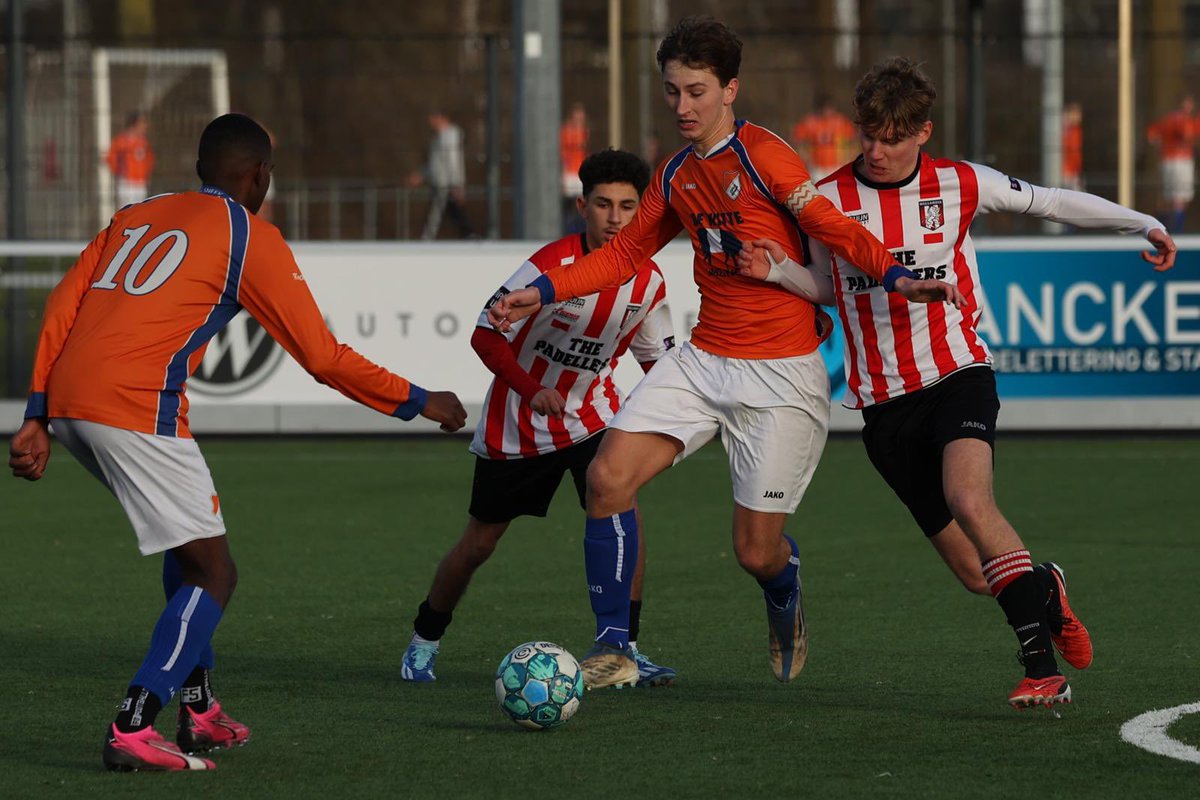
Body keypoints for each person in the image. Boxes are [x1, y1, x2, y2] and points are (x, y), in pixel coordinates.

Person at [489, 17, 962, 690]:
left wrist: (896, 276)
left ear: (731, 89)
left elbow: (828, 225)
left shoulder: (765, 156)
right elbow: (624, 254)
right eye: (673, 92)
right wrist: (539, 292)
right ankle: (615, 646)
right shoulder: (677, 173)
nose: (682, 107)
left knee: (754, 551)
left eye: (697, 92)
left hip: (781, 376)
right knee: (605, 479)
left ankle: (783, 593)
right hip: (705, 358)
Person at [8, 113, 467, 772]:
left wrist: (36, 413)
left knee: (187, 546)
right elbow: (323, 356)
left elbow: (62, 304)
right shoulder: (248, 234)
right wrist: (422, 401)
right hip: (136, 406)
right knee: (214, 571)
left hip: (72, 399)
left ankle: (198, 710)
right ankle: (134, 724)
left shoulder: (138, 213)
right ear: (258, 176)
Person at [735, 57, 1177, 709]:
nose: (878, 150)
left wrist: (1141, 221)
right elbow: (833, 287)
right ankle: (1045, 587)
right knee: (976, 573)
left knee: (971, 501)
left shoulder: (960, 184)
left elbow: (1051, 202)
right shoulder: (825, 202)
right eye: (870, 135)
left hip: (958, 375)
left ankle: (1041, 671)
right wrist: (778, 275)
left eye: (893, 137)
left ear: (922, 133)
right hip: (883, 409)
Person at [401, 149, 677, 688]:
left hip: (591, 418)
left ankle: (626, 650)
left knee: (623, 513)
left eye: (626, 206)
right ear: (582, 206)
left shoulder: (650, 284)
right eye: (602, 204)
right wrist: (533, 388)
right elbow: (486, 333)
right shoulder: (549, 266)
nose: (615, 218)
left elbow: (659, 363)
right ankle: (424, 639)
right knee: (479, 543)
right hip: (517, 426)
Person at [412, 112, 475, 240]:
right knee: (453, 212)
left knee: (439, 212)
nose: (431, 122)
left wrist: (457, 184)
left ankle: (427, 238)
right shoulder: (438, 138)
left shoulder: (449, 138)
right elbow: (435, 163)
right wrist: (421, 175)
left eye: (434, 118)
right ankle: (469, 235)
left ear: (443, 118)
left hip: (447, 184)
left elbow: (453, 162)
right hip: (441, 182)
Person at [1146, 95, 1198, 233]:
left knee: (1168, 198)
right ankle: (1175, 232)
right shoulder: (1184, 119)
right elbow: (1186, 135)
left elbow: (1152, 136)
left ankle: (1158, 228)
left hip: (1167, 161)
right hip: (1180, 161)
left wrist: (1164, 144)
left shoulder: (1167, 118)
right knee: (1180, 199)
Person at [791, 94, 857, 182]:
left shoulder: (840, 121)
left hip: (836, 166)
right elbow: (796, 138)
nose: (827, 111)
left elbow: (853, 138)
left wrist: (849, 157)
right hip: (817, 167)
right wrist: (803, 157)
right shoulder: (811, 121)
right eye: (825, 108)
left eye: (829, 108)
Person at [107, 111, 155, 208]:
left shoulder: (143, 142)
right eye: (142, 123)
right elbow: (111, 158)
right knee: (126, 210)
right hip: (126, 183)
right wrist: (120, 172)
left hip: (140, 183)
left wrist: (145, 175)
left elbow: (149, 160)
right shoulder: (121, 141)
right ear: (134, 124)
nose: (145, 126)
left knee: (140, 211)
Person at [560, 102, 590, 232]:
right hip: (568, 173)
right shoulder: (564, 132)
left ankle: (578, 230)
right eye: (576, 117)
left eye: (581, 118)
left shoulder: (584, 132)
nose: (579, 120)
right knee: (568, 205)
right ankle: (566, 229)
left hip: (579, 173)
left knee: (581, 205)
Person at [1061, 102, 1083, 191]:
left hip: (1073, 171)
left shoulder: (1076, 129)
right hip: (1067, 172)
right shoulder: (1067, 131)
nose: (1079, 116)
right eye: (1076, 113)